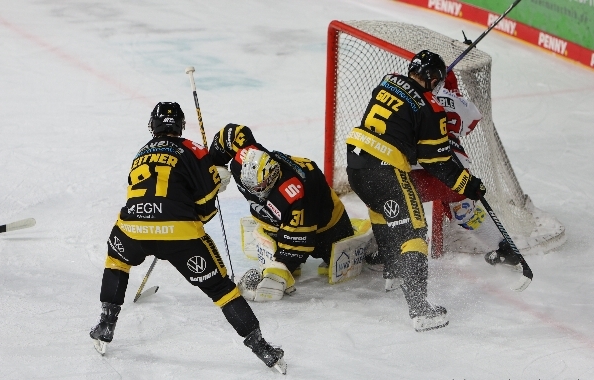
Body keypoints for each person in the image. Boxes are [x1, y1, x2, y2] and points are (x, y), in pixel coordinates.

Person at [89, 102, 286, 373]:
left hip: (133, 228)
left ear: (153, 125)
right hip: (180, 235)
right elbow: (205, 211)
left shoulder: (141, 152)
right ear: (181, 125)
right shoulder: (194, 149)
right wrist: (214, 185)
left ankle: (106, 324)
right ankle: (262, 348)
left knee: (116, 261)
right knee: (222, 290)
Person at [345, 50, 487, 332]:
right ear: (433, 79)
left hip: (355, 163)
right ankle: (421, 310)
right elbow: (437, 163)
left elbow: (399, 119)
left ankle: (393, 272)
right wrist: (468, 184)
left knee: (383, 211)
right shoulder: (431, 108)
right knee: (414, 232)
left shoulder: (388, 80)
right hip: (385, 168)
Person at [365, 70, 503, 266]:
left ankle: (391, 248)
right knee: (466, 211)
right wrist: (453, 97)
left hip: (416, 171)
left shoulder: (405, 94)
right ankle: (502, 246)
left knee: (387, 197)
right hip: (453, 171)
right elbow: (471, 121)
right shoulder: (451, 100)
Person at [208, 124, 354, 301]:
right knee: (280, 250)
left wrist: (279, 272)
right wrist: (212, 166)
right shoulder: (245, 159)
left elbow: (297, 243)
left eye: (262, 186)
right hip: (279, 221)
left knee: (336, 259)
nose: (258, 192)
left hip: (326, 222)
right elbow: (231, 133)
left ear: (273, 173)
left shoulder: (292, 195)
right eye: (254, 188)